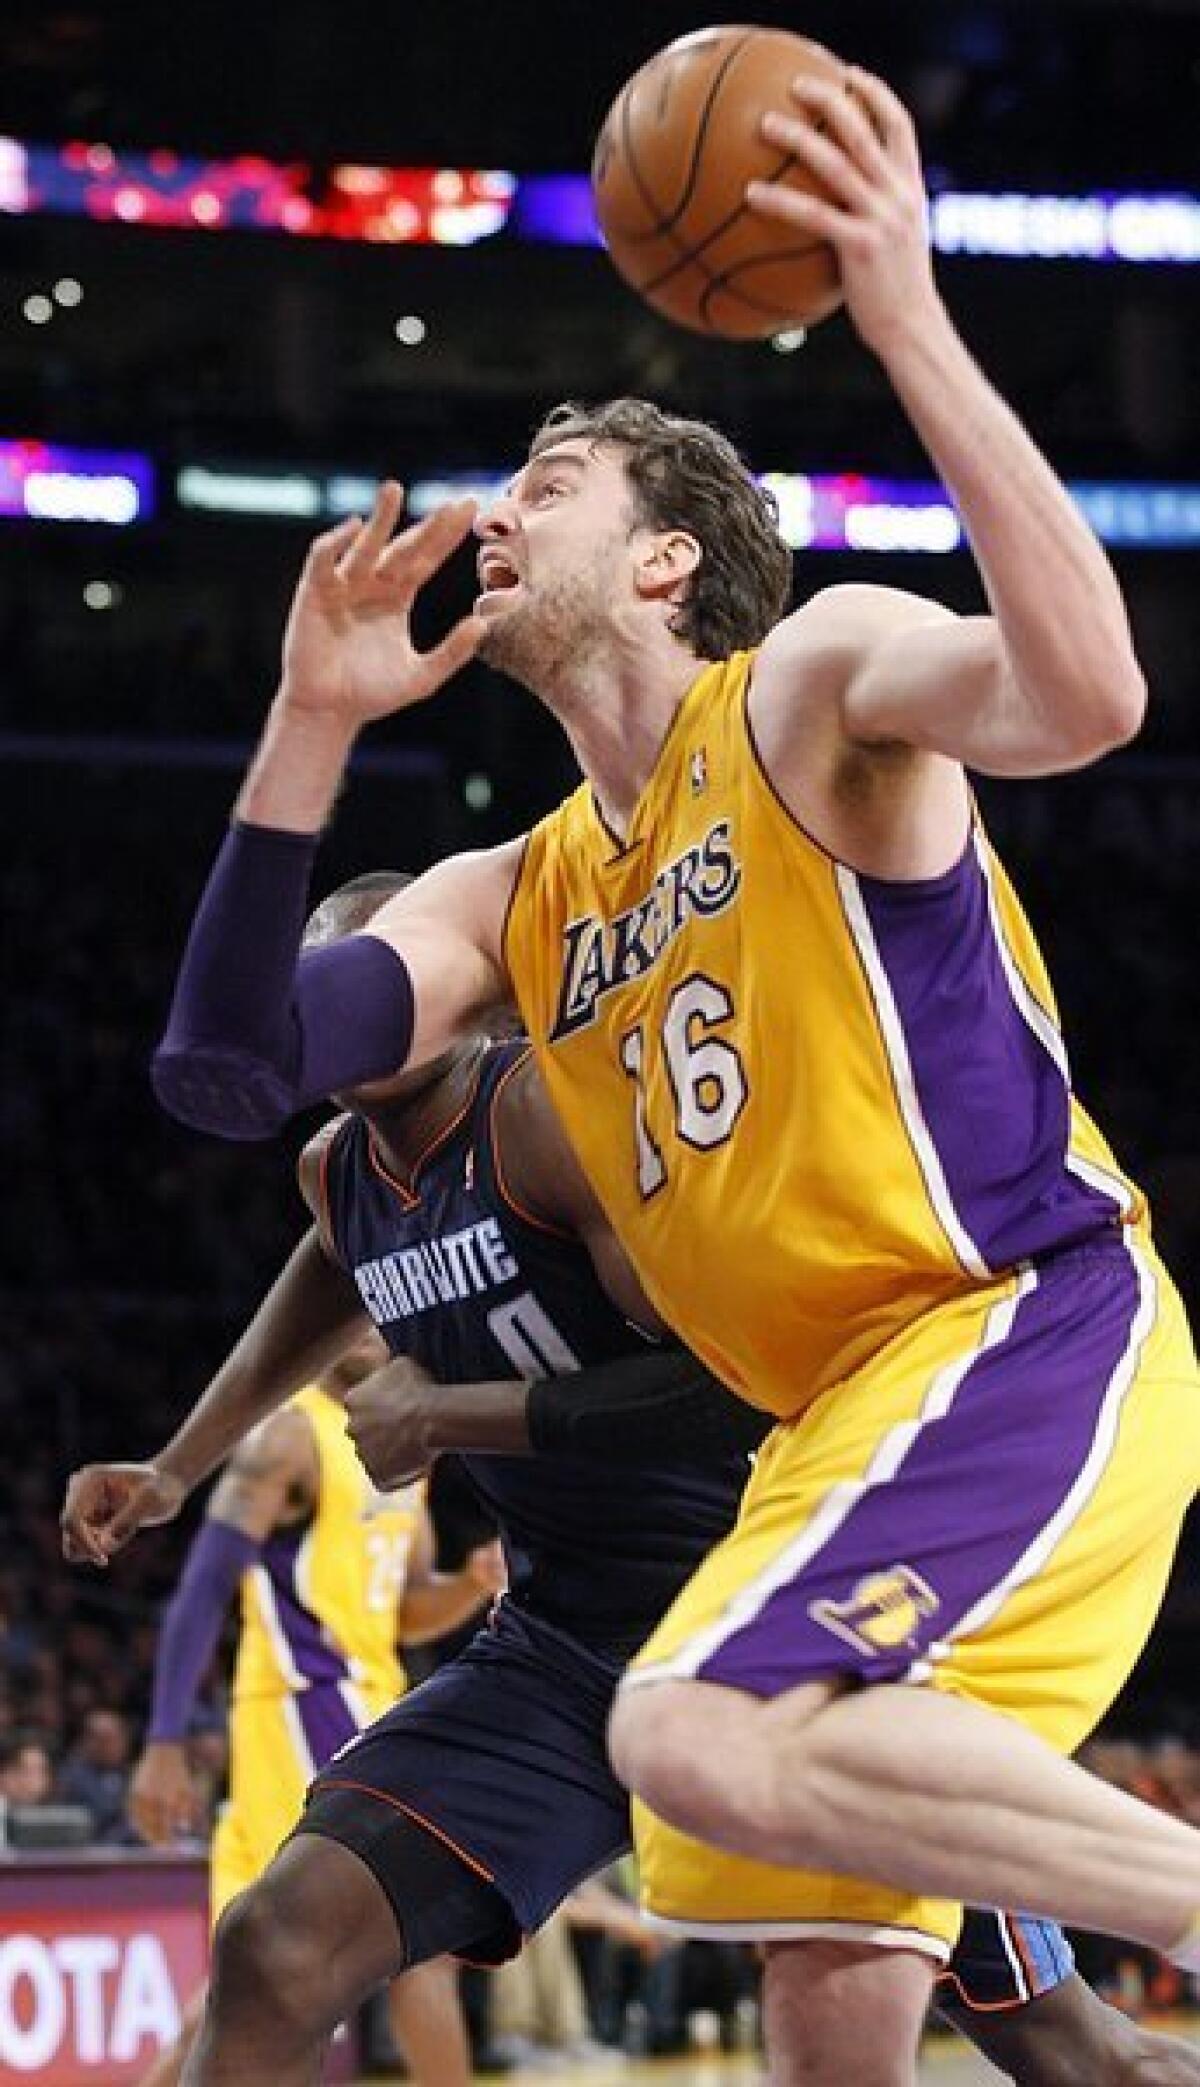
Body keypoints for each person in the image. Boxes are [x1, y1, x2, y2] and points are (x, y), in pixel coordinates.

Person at [142, 52, 1200, 2087]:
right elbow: (229, 1069)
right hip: (824, 1430)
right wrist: (302, 728)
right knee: (818, 1978)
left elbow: (1087, 689)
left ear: (661, 565)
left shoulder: (800, 691)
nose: (501, 498)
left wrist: (899, 302)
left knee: (691, 1724)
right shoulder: (509, 890)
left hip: (1014, 1323)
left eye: (554, 478)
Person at [73, 878, 1200, 2087]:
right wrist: (177, 1462)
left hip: (766, 1638)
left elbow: (729, 1385)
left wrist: (451, 1414)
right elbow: (327, 1269)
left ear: (464, 1002)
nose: (348, 1015)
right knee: (275, 1941)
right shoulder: (335, 1171)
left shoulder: (555, 1122)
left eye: (377, 985)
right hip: (562, 1652)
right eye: (327, 990)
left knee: (1075, 2055)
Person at [123, 1332, 501, 2087]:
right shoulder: (287, 1436)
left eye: (371, 1310)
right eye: (345, 1309)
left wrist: (467, 1584)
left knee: (248, 1988)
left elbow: (397, 1611)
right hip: (299, 1708)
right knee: (422, 1945)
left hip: (373, 1703)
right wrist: (164, 1740)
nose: (361, 1325)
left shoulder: (398, 1453)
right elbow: (201, 1589)